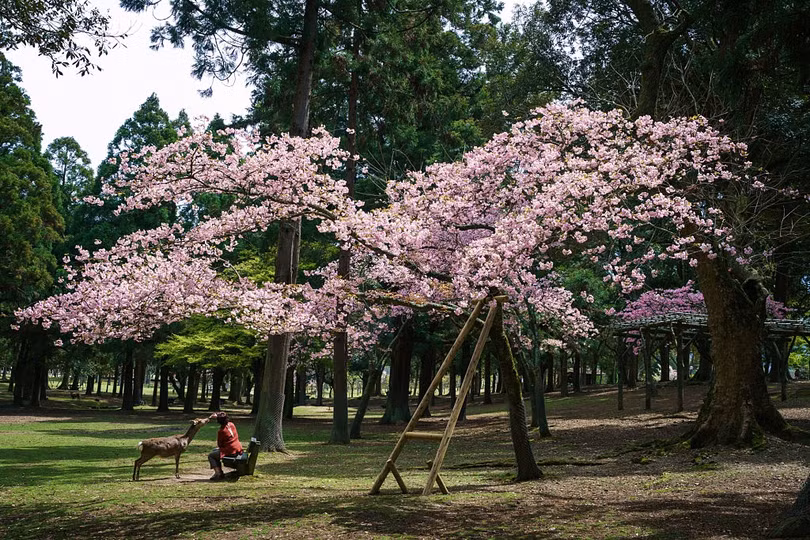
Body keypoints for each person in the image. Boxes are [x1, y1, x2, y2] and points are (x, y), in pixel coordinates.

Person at [207, 412, 243, 481]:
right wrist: (217, 415)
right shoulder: (232, 424)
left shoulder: (221, 431)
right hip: (238, 448)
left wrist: (220, 448)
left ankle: (218, 473)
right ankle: (219, 472)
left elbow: (220, 444)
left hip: (230, 451)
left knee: (211, 456)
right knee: (215, 451)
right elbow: (224, 415)